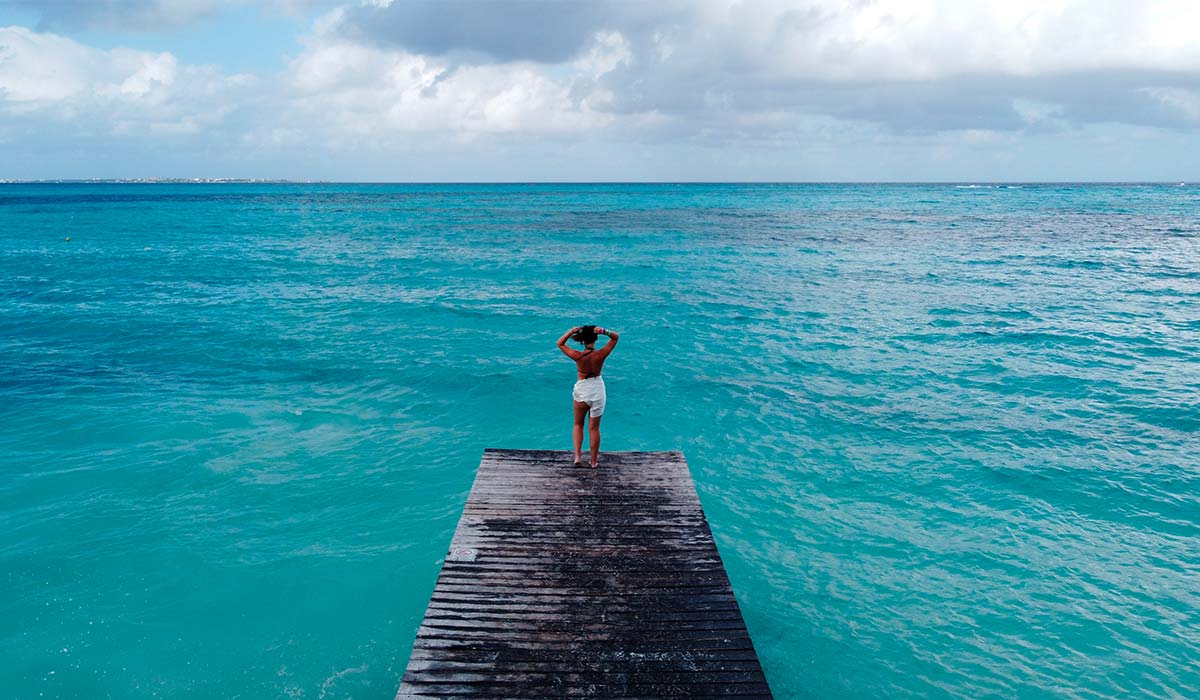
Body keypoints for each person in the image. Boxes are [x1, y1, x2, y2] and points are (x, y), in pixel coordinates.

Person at [556, 324, 620, 467]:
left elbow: (559, 343)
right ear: (596, 338)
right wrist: (605, 331)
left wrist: (570, 331)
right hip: (597, 390)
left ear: (582, 340)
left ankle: (577, 457)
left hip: (582, 390)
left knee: (578, 424)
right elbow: (616, 338)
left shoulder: (578, 356)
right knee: (594, 428)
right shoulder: (601, 354)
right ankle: (593, 462)